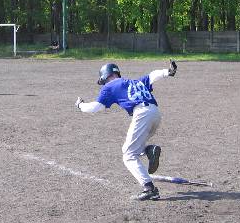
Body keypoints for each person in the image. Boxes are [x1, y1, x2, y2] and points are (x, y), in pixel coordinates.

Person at [76, 60, 177, 201]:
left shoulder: (110, 86)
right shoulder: (135, 82)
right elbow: (152, 76)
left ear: (106, 76)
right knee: (133, 149)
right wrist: (168, 72)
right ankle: (148, 150)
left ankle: (150, 189)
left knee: (128, 155)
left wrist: (80, 106)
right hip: (155, 113)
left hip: (142, 114)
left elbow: (96, 107)